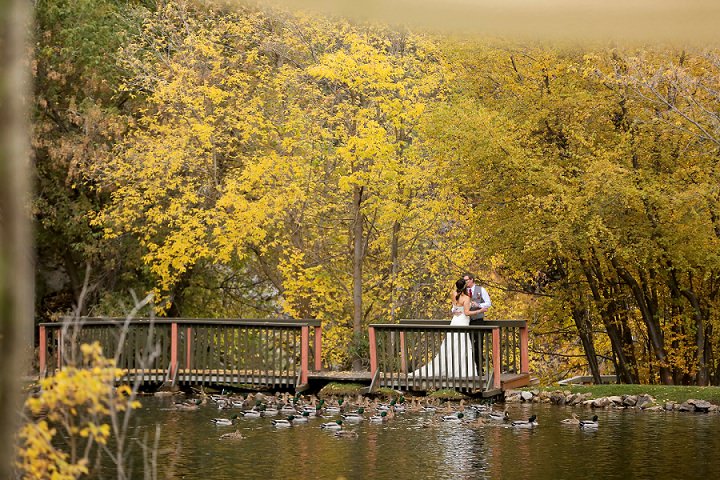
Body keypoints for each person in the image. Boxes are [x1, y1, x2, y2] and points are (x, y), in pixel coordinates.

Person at [411, 278, 477, 378]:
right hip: (462, 321)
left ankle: (451, 368)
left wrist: (457, 310)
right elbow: (467, 312)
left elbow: (455, 308)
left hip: (455, 321)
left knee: (451, 346)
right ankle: (461, 372)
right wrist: (480, 311)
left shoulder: (454, 294)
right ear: (465, 287)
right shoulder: (466, 298)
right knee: (462, 346)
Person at [464, 273, 491, 374]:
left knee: (478, 345)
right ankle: (468, 369)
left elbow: (488, 303)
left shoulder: (481, 290)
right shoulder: (463, 292)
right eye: (464, 280)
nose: (465, 282)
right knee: (467, 345)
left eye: (467, 280)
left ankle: (479, 369)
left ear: (472, 280)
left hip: (478, 320)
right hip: (466, 321)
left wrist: (478, 305)